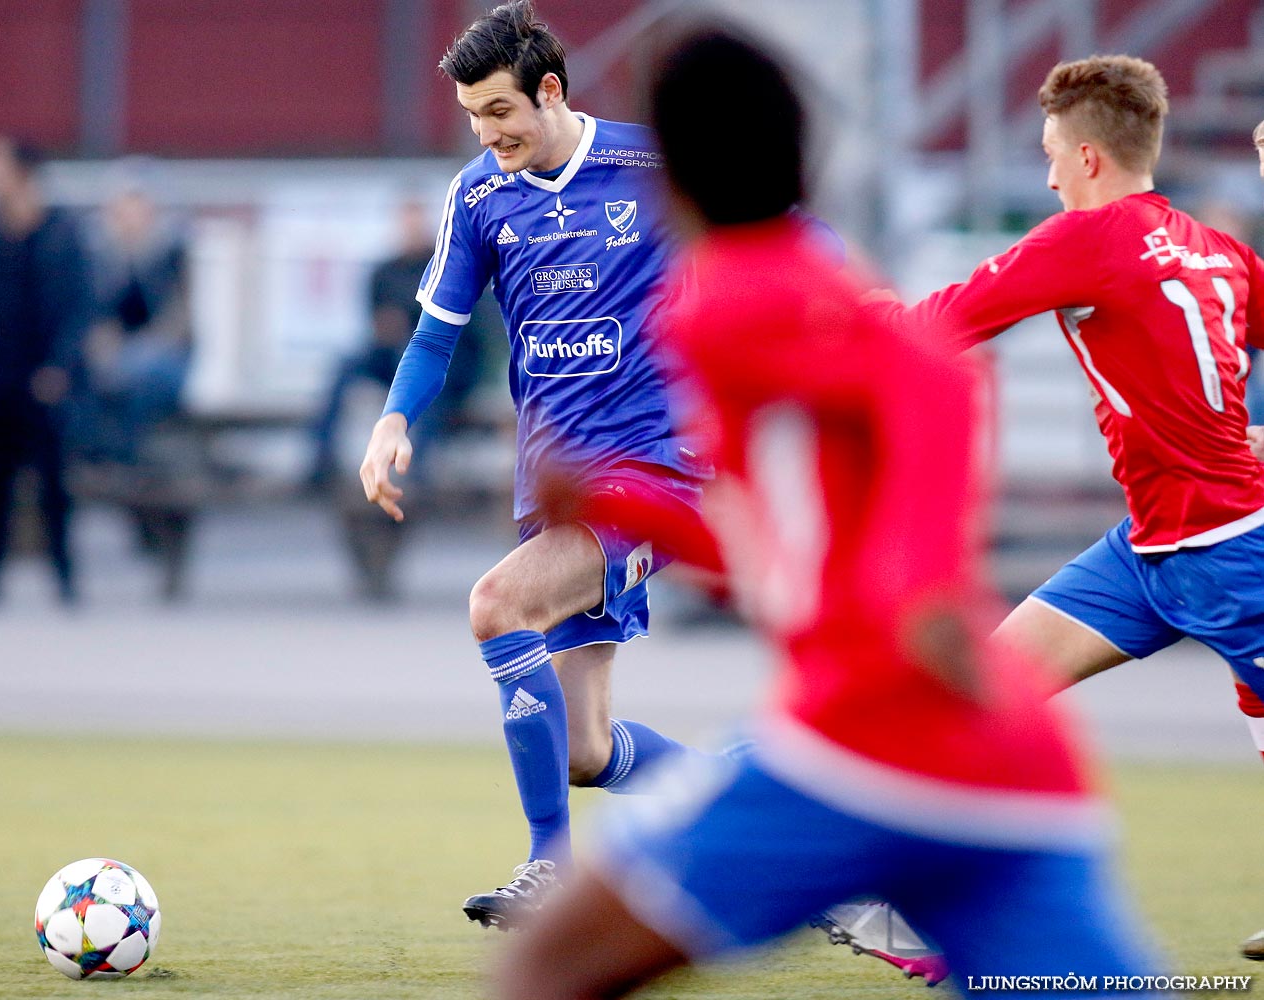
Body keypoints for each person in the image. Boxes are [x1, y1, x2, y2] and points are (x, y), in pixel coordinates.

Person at [492, 27, 1160, 1000]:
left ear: (671, 176)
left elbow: (898, 410)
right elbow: (780, 545)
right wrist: (615, 499)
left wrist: (915, 589)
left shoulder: (715, 307)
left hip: (865, 730)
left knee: (542, 968)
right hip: (1012, 764)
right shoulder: (811, 296)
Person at [851, 55, 1264, 961]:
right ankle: (938, 913)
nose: (1044, 176)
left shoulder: (1086, 238)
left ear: (1084, 157)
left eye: (1048, 153)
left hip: (1230, 546)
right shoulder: (1220, 249)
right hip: (1150, 546)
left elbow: (938, 329)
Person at [357, 0, 709, 927]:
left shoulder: (649, 163)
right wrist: (395, 420)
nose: (487, 133)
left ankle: (547, 867)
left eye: (500, 112)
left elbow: (772, 220)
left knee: (495, 605)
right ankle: (755, 803)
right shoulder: (480, 194)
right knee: (583, 751)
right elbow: (436, 333)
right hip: (553, 489)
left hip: (652, 471)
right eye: (474, 116)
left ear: (550, 90)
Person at [310, 198, 490, 601]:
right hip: (397, 355)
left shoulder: (454, 261)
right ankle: (318, 457)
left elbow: (470, 334)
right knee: (345, 366)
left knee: (429, 388)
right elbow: (376, 325)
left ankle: (412, 470)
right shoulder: (383, 270)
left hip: (448, 362)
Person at [0, 135, 94, 605]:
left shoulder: (62, 231)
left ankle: (65, 578)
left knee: (53, 482)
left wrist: (61, 366)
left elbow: (78, 306)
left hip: (46, 377)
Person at [80, 159, 193, 470]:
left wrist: (142, 348)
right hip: (113, 355)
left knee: (139, 378)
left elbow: (178, 323)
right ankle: (93, 457)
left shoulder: (171, 253)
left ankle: (124, 459)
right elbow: (96, 317)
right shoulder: (101, 255)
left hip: (163, 357)